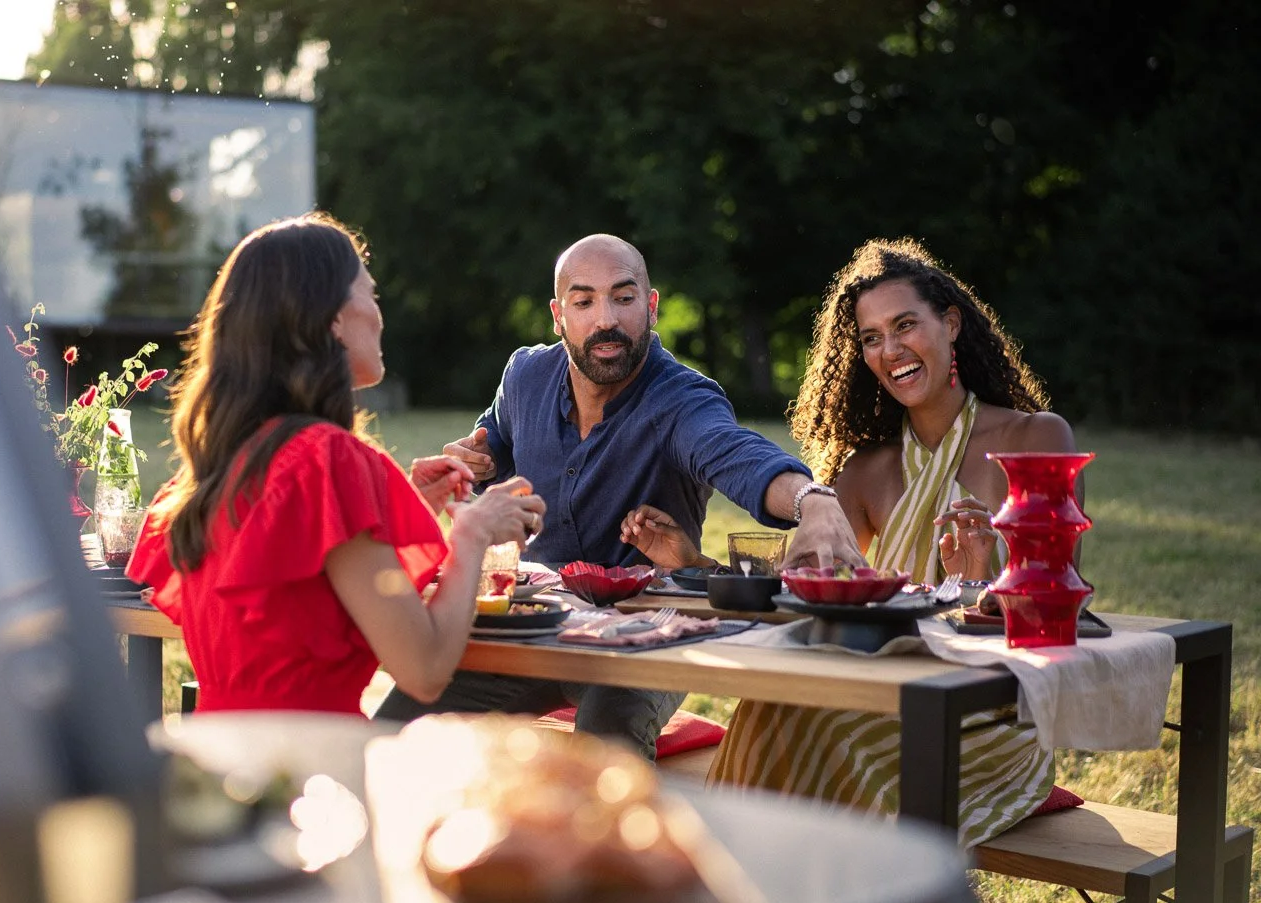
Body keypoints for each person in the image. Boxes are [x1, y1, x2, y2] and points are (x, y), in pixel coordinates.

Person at [374, 234, 865, 758]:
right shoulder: (526, 376)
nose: (605, 318)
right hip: (537, 623)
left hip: (648, 636)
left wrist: (812, 498)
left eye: (623, 298)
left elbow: (738, 456)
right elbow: (491, 442)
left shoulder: (681, 399)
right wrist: (475, 461)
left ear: (650, 307)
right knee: (392, 732)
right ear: (558, 315)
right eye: (584, 302)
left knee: (604, 751)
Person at [700, 236, 1076, 846]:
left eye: (905, 325)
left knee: (829, 736)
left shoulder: (1036, 436)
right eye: (871, 337)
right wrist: (690, 562)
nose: (890, 349)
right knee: (772, 713)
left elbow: (1051, 608)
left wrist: (979, 582)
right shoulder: (863, 470)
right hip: (884, 691)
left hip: (990, 715)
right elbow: (802, 591)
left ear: (950, 324)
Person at [126, 214, 545, 715]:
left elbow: (301, 598)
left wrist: (400, 506)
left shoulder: (219, 468)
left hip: (216, 763)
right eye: (370, 294)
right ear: (331, 319)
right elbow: (426, 669)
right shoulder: (329, 460)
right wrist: (471, 536)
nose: (379, 314)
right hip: (308, 772)